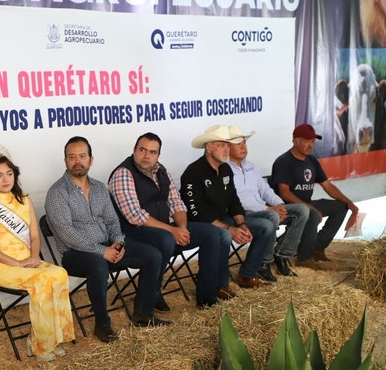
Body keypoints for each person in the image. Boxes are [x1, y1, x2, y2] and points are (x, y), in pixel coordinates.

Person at [45, 136, 171, 343]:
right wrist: (102, 251)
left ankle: (143, 313)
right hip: (76, 254)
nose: (77, 161)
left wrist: (118, 243)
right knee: (98, 265)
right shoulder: (57, 193)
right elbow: (66, 233)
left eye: (82, 156)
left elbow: (113, 221)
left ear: (91, 160)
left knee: (153, 255)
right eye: (72, 157)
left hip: (107, 247)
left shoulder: (100, 188)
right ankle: (102, 324)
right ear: (65, 160)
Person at [108, 132, 236, 309]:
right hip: (133, 233)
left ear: (158, 155)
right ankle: (153, 291)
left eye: (153, 152)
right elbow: (134, 215)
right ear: (134, 150)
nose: (147, 156)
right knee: (166, 238)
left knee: (212, 232)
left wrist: (182, 228)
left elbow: (176, 202)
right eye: (142, 150)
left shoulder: (161, 170)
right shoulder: (123, 173)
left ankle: (207, 298)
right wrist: (172, 230)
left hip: (162, 229)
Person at [0, 141, 75, 362]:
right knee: (42, 280)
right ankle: (41, 345)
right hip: (5, 267)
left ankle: (50, 339)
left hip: (28, 261)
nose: (5, 179)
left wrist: (33, 257)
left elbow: (35, 236)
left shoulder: (25, 200)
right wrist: (19, 263)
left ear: (15, 175)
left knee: (59, 273)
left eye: (9, 174)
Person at [180, 125, 272, 289]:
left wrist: (241, 224)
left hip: (223, 219)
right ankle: (221, 285)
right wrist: (230, 229)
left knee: (266, 226)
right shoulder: (193, 172)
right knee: (224, 235)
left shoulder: (226, 168)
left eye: (228, 145)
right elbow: (196, 212)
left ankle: (247, 275)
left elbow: (233, 200)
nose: (226, 149)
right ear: (209, 148)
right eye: (221, 145)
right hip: (202, 224)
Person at [271, 123, 359, 269]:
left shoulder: (311, 161)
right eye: (307, 141)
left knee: (340, 206)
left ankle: (317, 248)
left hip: (307, 204)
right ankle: (304, 258)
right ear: (295, 141)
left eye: (313, 141)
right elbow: (284, 192)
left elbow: (328, 186)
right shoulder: (284, 161)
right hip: (287, 209)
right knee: (311, 213)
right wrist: (310, 207)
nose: (311, 145)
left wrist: (349, 202)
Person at [226, 126, 310, 278]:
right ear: (227, 147)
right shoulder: (225, 169)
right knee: (272, 216)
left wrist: (280, 205)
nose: (244, 147)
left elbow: (265, 190)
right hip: (242, 214)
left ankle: (282, 255)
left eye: (245, 143)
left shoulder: (250, 165)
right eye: (238, 144)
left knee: (302, 210)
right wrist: (268, 209)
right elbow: (237, 201)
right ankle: (263, 263)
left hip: (262, 210)